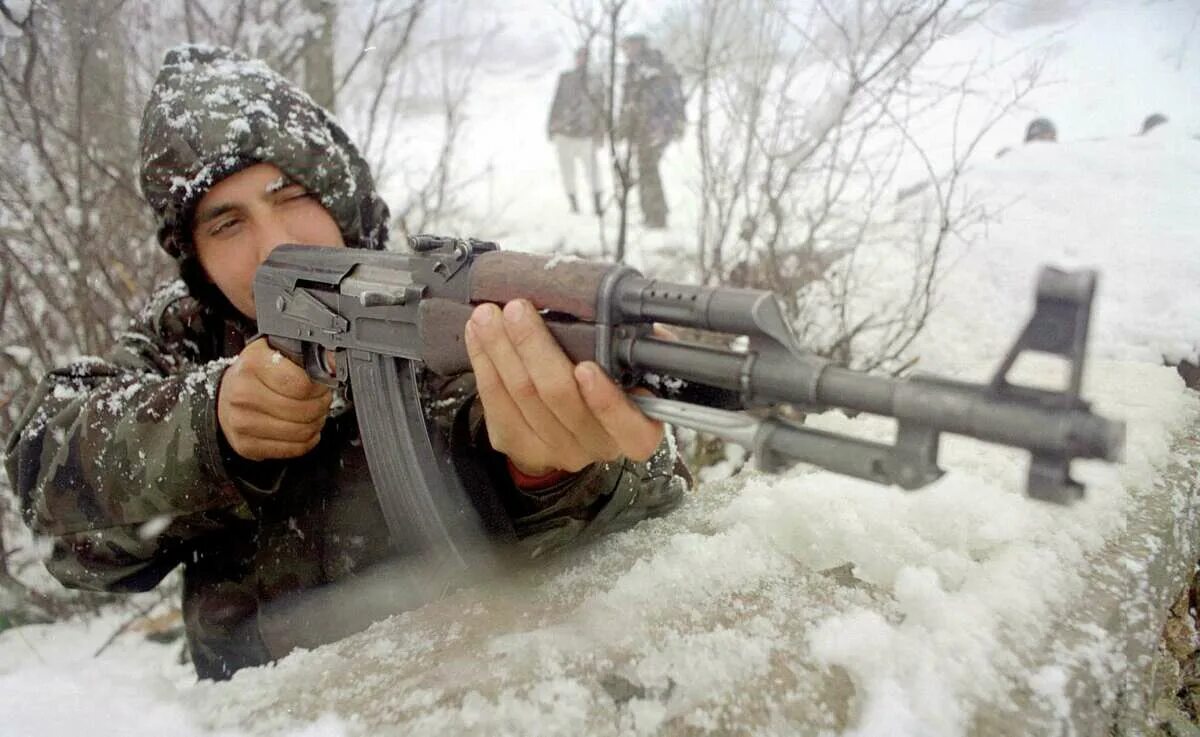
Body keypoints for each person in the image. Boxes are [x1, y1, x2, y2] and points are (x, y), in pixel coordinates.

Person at [3, 44, 687, 680]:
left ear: (339, 195)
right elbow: (50, 482)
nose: (273, 243)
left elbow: (654, 489)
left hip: (459, 683)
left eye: (289, 196)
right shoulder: (187, 335)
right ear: (196, 255)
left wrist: (549, 472)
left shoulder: (429, 305)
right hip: (260, 704)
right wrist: (208, 428)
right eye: (227, 222)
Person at [617, 34, 685, 229]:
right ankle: (651, 214)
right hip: (643, 127)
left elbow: (660, 98)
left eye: (628, 47)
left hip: (655, 127)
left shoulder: (651, 66)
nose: (626, 52)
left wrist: (669, 123)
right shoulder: (635, 68)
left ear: (638, 45)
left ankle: (657, 216)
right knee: (645, 169)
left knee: (648, 169)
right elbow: (628, 102)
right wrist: (623, 127)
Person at [547, 47, 606, 216]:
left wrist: (600, 131)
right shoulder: (566, 78)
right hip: (564, 132)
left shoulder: (596, 80)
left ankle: (597, 204)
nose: (582, 60)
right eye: (579, 57)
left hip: (586, 133)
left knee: (593, 171)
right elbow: (556, 103)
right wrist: (551, 126)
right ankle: (574, 204)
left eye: (585, 57)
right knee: (567, 171)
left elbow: (601, 108)